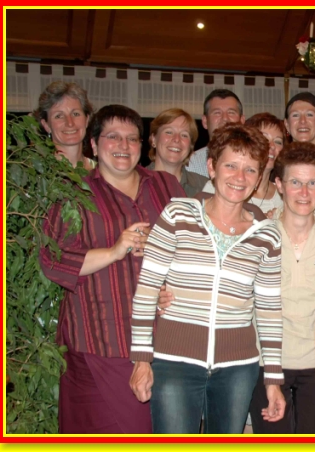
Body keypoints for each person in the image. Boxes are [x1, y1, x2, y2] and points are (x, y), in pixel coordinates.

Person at [129, 123, 285, 434]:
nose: (240, 177)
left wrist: (272, 379)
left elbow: (269, 310)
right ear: (212, 167)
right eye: (231, 166)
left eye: (250, 169)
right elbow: (147, 289)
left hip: (237, 368)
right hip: (174, 360)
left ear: (258, 178)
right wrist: (141, 359)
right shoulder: (178, 215)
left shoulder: (267, 235)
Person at [39, 104, 186, 433]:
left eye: (132, 138)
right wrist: (114, 251)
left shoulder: (165, 186)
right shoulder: (73, 193)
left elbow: (192, 248)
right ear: (93, 144)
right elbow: (52, 260)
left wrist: (172, 282)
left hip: (165, 340)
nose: (123, 146)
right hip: (100, 340)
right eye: (113, 137)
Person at [247, 142, 315, 434]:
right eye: (295, 182)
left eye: (312, 183)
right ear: (279, 185)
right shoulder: (257, 236)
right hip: (267, 364)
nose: (304, 192)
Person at [146, 107, 208, 196]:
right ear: (153, 139)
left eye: (184, 135)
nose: (177, 139)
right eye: (169, 132)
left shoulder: (205, 187)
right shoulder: (136, 182)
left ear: (190, 146)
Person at [34, 81, 94, 170]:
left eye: (75, 114)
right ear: (46, 125)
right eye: (59, 116)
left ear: (87, 120)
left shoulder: (104, 172)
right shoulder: (37, 172)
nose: (70, 123)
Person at [187, 89, 245, 177]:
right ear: (205, 121)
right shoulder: (191, 164)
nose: (225, 118)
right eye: (217, 113)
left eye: (231, 112)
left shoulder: (254, 161)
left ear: (242, 121)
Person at [244, 113, 287, 216]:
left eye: (278, 142)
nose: (272, 146)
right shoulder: (224, 186)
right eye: (265, 138)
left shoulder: (285, 194)